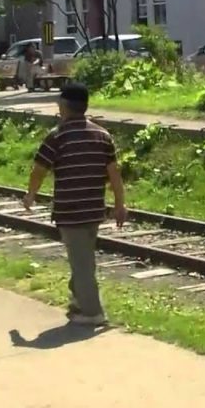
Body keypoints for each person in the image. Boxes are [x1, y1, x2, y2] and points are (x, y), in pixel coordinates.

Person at [22, 82, 127, 326]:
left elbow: (39, 170)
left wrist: (30, 194)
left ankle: (92, 313)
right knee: (83, 258)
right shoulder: (103, 135)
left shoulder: (57, 137)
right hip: (93, 209)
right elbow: (114, 173)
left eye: (59, 103)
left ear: (65, 107)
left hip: (70, 210)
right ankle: (79, 299)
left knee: (81, 263)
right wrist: (120, 204)